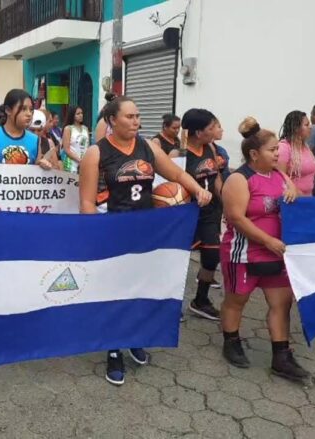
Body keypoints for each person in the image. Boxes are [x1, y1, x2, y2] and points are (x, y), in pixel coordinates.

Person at [79, 96, 212, 386]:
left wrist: (196, 190)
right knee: (115, 292)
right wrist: (93, 237)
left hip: (147, 231)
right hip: (113, 231)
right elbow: (87, 202)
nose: (136, 121)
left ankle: (134, 337)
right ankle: (113, 348)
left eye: (138, 116)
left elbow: (175, 172)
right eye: (129, 116)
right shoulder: (96, 153)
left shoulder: (148, 148)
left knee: (140, 288)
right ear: (112, 120)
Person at [219, 117, 308, 381]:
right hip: (244, 252)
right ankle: (231, 341)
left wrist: (294, 190)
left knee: (282, 302)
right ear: (254, 154)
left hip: (276, 252)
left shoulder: (279, 175)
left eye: (278, 150)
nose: (278, 154)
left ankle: (281, 356)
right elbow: (236, 218)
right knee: (237, 300)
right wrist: (267, 240)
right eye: (272, 150)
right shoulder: (239, 179)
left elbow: (299, 202)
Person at [181, 108, 225, 321]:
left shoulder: (210, 147)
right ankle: (168, 303)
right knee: (177, 261)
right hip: (186, 213)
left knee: (211, 255)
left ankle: (200, 300)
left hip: (209, 212)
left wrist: (226, 200)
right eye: (211, 127)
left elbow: (216, 177)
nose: (215, 130)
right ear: (198, 132)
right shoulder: (179, 154)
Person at [0, 89, 53, 170]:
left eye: (31, 109)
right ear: (8, 110)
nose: (29, 114)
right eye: (23, 109)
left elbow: (36, 173)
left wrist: (43, 165)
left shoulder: (35, 140)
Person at [277, 110, 315, 196]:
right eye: (306, 125)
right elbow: (280, 178)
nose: (310, 127)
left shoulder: (305, 147)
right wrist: (300, 195)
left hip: (308, 198)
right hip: (293, 200)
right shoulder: (284, 147)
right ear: (296, 128)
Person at [61, 106, 90, 173]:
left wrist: (85, 161)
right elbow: (66, 149)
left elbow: (87, 146)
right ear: (72, 115)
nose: (81, 115)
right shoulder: (68, 129)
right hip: (71, 163)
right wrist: (79, 160)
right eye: (78, 114)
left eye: (81, 113)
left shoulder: (85, 129)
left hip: (84, 163)